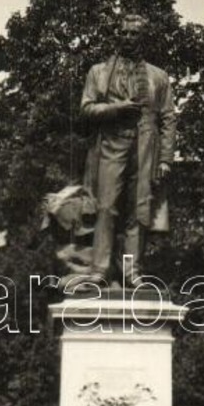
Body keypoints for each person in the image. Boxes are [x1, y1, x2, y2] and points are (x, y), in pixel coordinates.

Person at [79, 14, 175, 287]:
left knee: (139, 209)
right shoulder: (98, 72)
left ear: (143, 38)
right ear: (118, 36)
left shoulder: (158, 76)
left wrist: (166, 158)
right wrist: (116, 109)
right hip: (111, 143)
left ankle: (132, 272)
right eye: (125, 33)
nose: (129, 38)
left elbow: (167, 117)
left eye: (135, 34)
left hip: (145, 146)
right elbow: (86, 109)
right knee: (107, 207)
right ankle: (99, 270)